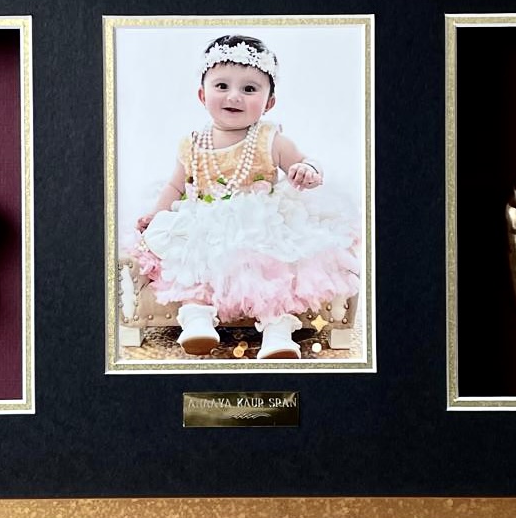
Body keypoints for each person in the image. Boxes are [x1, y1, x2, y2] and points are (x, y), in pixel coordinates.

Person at [133, 35, 361, 359]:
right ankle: (197, 320)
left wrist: (307, 169)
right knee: (190, 261)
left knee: (273, 271)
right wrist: (157, 214)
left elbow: (304, 159)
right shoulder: (192, 143)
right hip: (206, 223)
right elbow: (175, 187)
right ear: (202, 94)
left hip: (261, 225)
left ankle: (278, 333)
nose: (234, 96)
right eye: (222, 86)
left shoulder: (271, 138)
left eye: (249, 89)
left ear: (269, 102)